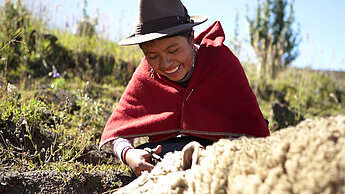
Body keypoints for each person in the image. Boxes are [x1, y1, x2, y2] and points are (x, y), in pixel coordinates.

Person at [99, 0, 270, 177]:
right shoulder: (146, 72)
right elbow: (118, 132)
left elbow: (254, 129)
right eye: (152, 56)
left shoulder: (221, 63)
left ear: (191, 38)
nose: (165, 63)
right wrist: (130, 154)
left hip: (222, 156)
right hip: (167, 157)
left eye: (173, 51)